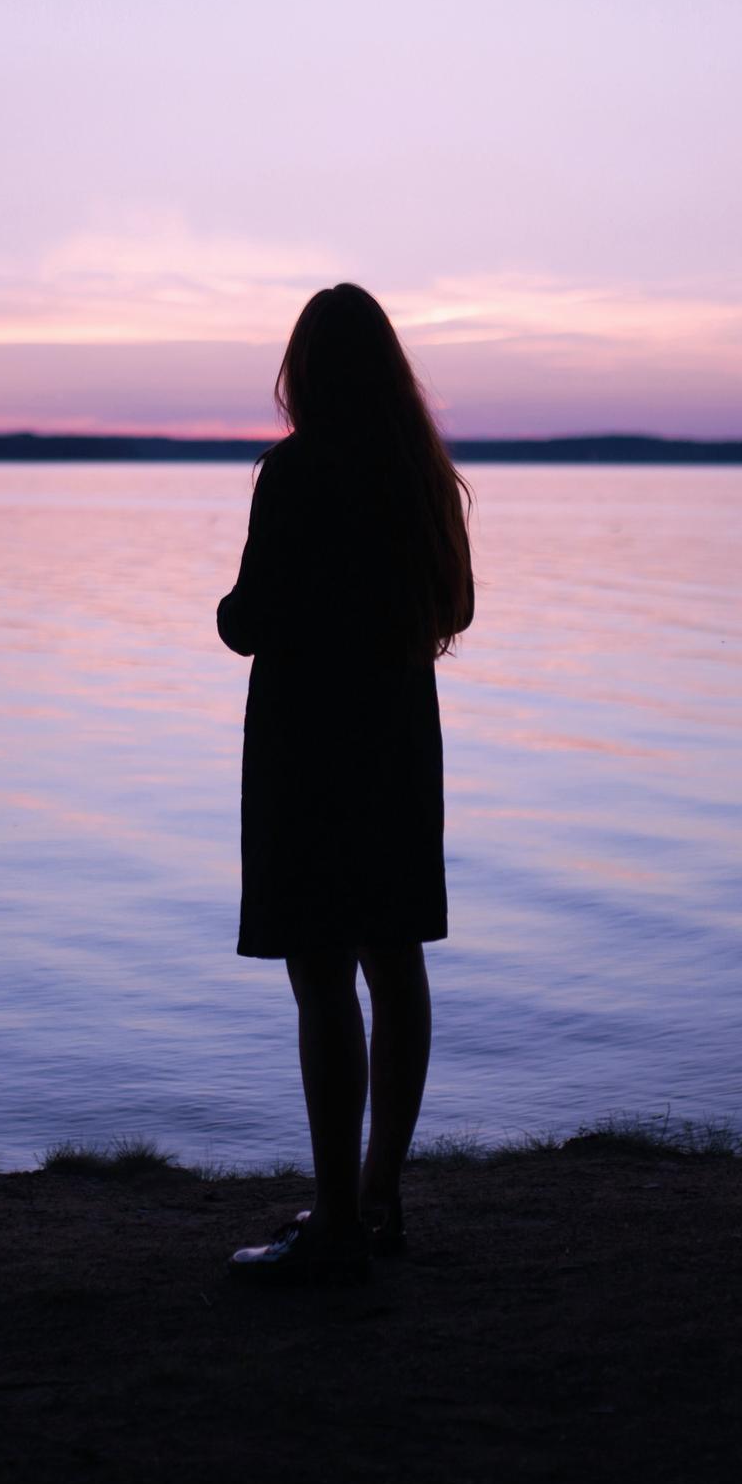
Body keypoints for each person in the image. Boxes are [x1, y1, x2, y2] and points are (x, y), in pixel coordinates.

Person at [217, 283, 474, 1283]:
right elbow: (452, 606)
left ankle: (334, 1223)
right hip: (400, 738)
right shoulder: (420, 479)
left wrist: (236, 611)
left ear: (306, 373)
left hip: (309, 741)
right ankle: (378, 1196)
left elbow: (251, 619)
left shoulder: (295, 472)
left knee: (322, 972)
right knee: (394, 960)